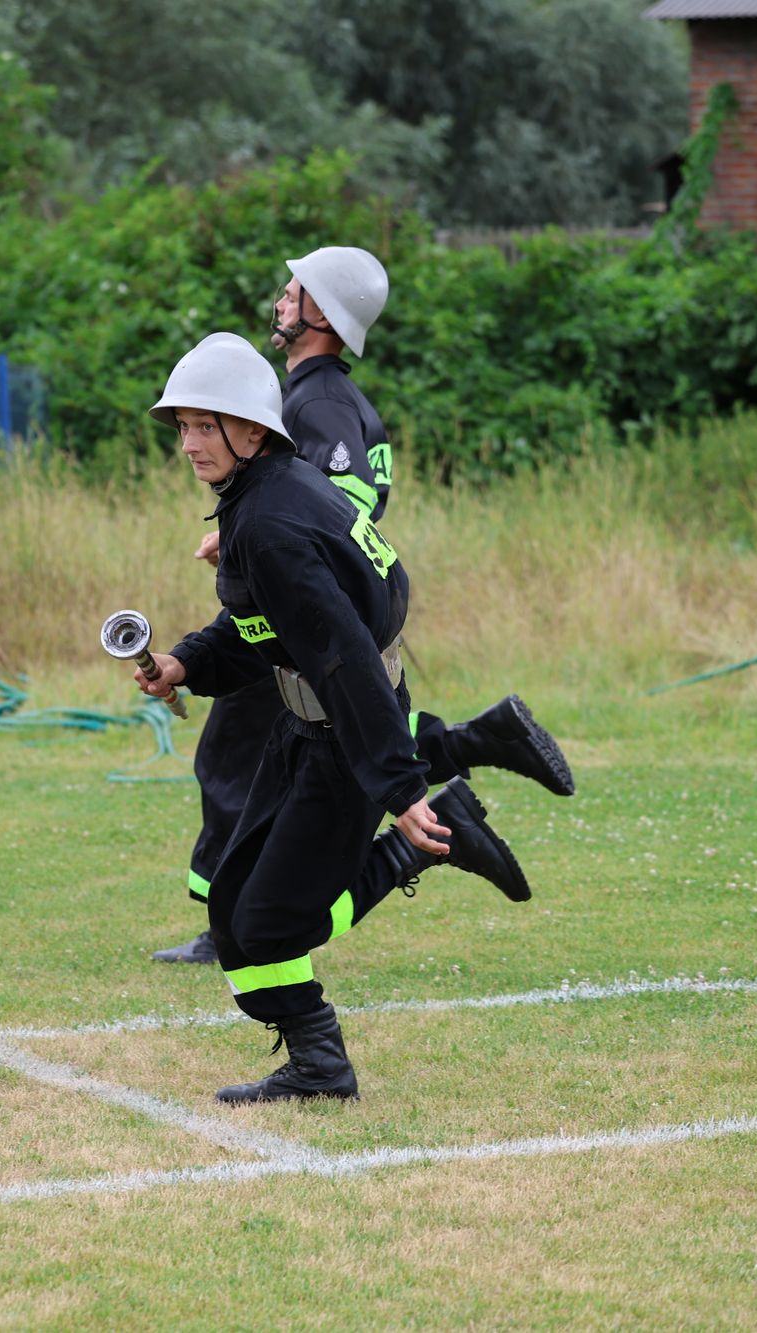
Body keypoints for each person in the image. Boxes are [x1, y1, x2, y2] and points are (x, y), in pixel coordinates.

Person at [134, 332, 536, 1104]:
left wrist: (398, 785)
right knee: (236, 907)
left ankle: (323, 1058)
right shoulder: (269, 494)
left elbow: (344, 656)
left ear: (253, 429)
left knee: (270, 925)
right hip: (307, 732)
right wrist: (187, 660)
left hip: (340, 736)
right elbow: (274, 629)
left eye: (204, 425)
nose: (188, 442)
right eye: (181, 425)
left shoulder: (268, 523)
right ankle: (318, 1059)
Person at [151, 247, 573, 965]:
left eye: (294, 294)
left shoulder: (314, 403)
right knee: (301, 755)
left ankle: (246, 919)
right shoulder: (317, 405)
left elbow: (339, 508)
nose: (281, 303)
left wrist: (254, 537)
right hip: (298, 616)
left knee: (256, 772)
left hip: (308, 619)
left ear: (324, 314)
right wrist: (193, 651)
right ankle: (474, 746)